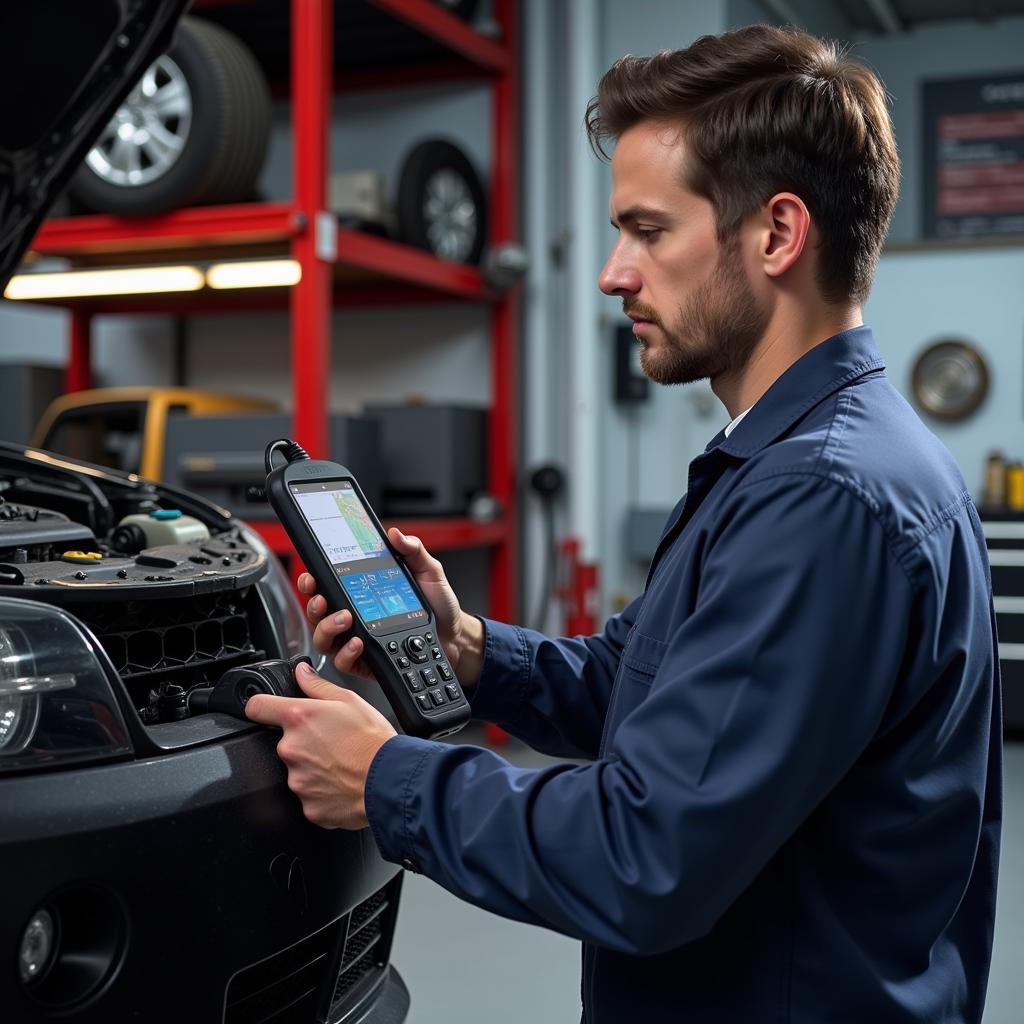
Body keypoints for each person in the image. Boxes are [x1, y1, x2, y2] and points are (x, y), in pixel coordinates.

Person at [246, 24, 1002, 1023]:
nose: (612, 273)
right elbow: (646, 692)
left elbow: (645, 856)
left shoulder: (821, 497)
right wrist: (466, 647)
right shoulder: (791, 458)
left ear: (776, 235)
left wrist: (386, 777)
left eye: (648, 230)